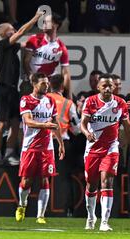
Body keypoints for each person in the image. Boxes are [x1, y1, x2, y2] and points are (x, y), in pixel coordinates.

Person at [80, 74, 130, 231]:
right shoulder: (90, 101)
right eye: (104, 85)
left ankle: (105, 222)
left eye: (110, 86)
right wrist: (87, 133)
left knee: (107, 181)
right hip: (92, 148)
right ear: (98, 87)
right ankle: (91, 217)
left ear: (114, 88)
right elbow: (83, 124)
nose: (107, 88)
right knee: (91, 185)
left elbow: (127, 127)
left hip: (111, 148)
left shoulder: (120, 103)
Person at [0, 10, 44, 166]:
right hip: (3, 89)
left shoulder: (13, 48)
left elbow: (27, 44)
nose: (14, 30)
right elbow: (22, 31)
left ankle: (9, 153)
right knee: (2, 122)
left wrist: (44, 35)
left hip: (14, 90)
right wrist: (36, 17)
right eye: (10, 29)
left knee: (16, 122)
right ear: (3, 33)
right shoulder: (2, 45)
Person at [15, 73, 65, 224]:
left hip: (47, 148)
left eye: (47, 83)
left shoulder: (50, 100)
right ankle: (22, 205)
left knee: (45, 180)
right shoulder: (26, 100)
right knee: (26, 181)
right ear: (34, 84)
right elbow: (28, 122)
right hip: (30, 147)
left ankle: (40, 215)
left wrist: (61, 144)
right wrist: (45, 125)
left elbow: (55, 123)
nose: (47, 85)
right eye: (43, 83)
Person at [49, 74, 81, 216]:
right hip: (62, 142)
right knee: (64, 177)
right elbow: (77, 129)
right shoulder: (68, 104)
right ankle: (67, 210)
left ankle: (38, 210)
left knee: (41, 177)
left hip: (44, 142)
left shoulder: (43, 100)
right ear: (63, 86)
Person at [24, 12, 72, 99]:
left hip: (48, 87)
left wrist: (69, 95)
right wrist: (32, 78)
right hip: (30, 84)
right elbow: (26, 61)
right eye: (43, 22)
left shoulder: (61, 47)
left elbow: (66, 73)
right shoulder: (34, 39)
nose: (44, 24)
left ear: (56, 25)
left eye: (47, 22)